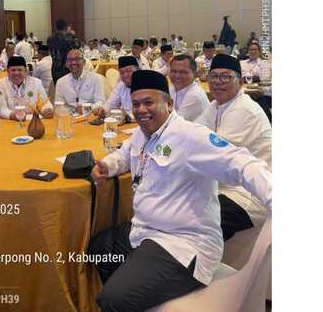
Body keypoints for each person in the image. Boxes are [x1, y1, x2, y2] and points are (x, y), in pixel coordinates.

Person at [88, 70, 271, 312]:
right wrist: (108, 165)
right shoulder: (143, 133)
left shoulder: (190, 137)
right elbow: (125, 153)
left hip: (183, 245)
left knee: (112, 300)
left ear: (169, 104)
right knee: (98, 249)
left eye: (149, 102)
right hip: (146, 232)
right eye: (136, 104)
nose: (141, 110)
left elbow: (241, 163)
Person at [195, 54, 272, 241]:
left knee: (194, 225)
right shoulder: (216, 105)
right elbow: (193, 132)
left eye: (226, 77)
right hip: (224, 185)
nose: (218, 82)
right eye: (214, 76)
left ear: (240, 81)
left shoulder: (244, 108)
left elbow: (214, 154)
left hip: (249, 193)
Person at [168, 54, 209, 121]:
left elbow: (175, 122)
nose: (177, 76)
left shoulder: (195, 96)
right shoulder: (172, 88)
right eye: (174, 71)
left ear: (194, 73)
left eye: (183, 72)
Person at [48, 18, 76, 84]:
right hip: (66, 69)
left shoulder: (50, 39)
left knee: (57, 88)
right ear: (66, 28)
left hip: (55, 69)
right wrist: (72, 35)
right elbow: (77, 45)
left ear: (55, 27)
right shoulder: (68, 39)